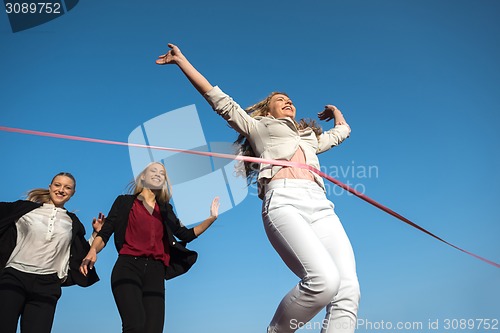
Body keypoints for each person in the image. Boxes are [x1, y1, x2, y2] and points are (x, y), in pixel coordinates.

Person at [157, 43, 360, 333]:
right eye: (280, 99)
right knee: (323, 282)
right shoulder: (257, 126)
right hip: (285, 202)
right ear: (268, 108)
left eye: (290, 99)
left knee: (349, 289)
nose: (288, 101)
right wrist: (182, 62)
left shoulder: (309, 138)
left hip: (322, 206)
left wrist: (337, 112)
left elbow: (341, 133)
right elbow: (219, 100)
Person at [80, 161, 220, 333]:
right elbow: (105, 232)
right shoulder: (124, 202)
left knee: (153, 329)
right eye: (153, 171)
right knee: (135, 325)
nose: (158, 174)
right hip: (128, 267)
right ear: (143, 177)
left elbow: (186, 235)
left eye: (162, 173)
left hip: (156, 272)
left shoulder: (166, 209)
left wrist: (211, 218)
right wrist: (93, 250)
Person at [0, 172, 100, 333]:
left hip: (47, 284)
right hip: (14, 276)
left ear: (73, 193)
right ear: (50, 187)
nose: (61, 190)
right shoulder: (24, 209)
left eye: (67, 187)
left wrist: (95, 235)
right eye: (57, 185)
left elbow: (79, 254)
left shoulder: (72, 222)